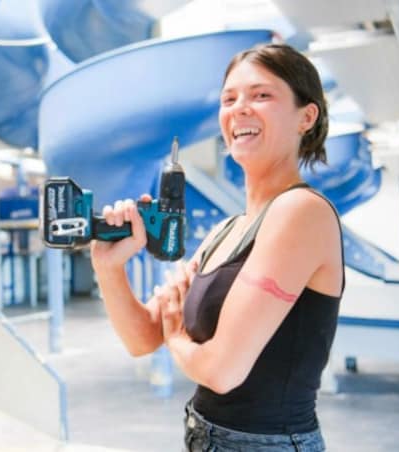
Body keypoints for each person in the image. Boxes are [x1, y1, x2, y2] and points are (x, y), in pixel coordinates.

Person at [90, 43, 343, 451]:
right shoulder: (225, 231)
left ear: (306, 116)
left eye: (261, 95)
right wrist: (108, 267)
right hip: (205, 435)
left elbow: (222, 371)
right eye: (229, 99)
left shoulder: (301, 211)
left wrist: (175, 336)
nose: (239, 108)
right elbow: (141, 339)